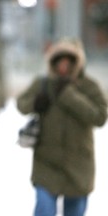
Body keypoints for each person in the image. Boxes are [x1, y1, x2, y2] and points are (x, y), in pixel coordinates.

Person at [16, 38, 107, 216]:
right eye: (60, 61)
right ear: (53, 62)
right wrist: (36, 103)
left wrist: (68, 95)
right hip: (46, 164)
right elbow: (21, 103)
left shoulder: (89, 86)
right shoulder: (44, 83)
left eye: (69, 61)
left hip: (79, 168)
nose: (64, 66)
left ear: (77, 63)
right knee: (44, 210)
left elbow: (100, 116)